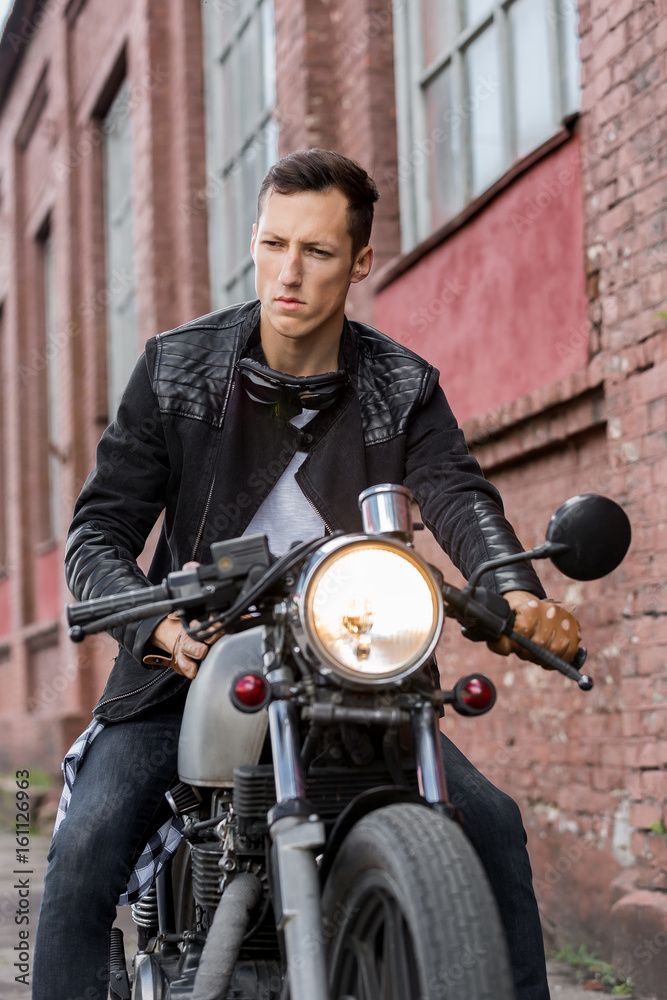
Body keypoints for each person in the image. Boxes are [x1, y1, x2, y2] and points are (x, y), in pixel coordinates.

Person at [33, 148, 579, 1000]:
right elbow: (97, 533)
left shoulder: (402, 387)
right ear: (255, 239)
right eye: (274, 243)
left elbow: (456, 493)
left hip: (353, 671)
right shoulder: (178, 368)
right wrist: (159, 629)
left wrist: (512, 588)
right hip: (186, 670)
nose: (289, 272)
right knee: (85, 842)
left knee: (494, 827)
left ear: (360, 260)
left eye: (317, 252)